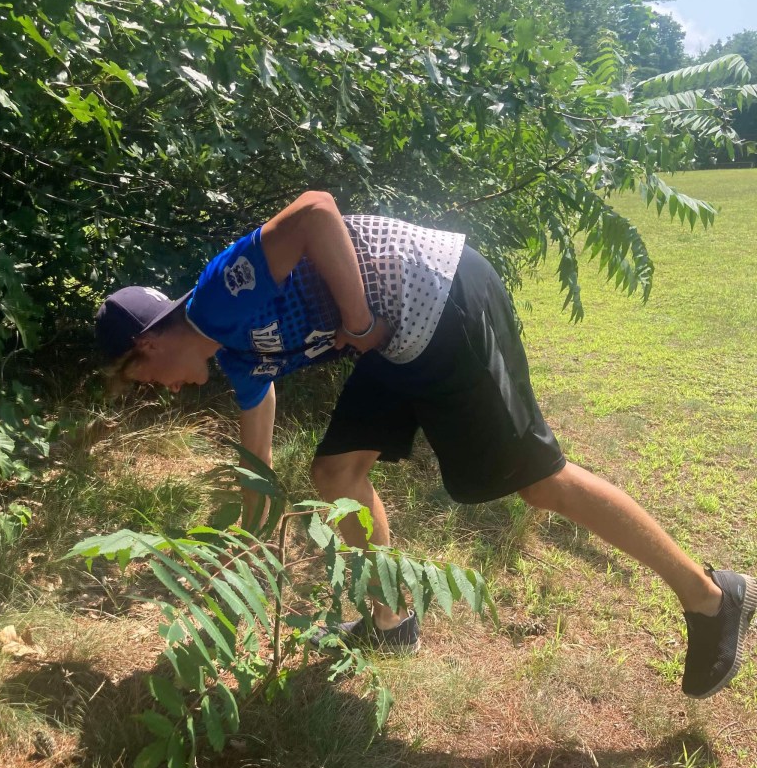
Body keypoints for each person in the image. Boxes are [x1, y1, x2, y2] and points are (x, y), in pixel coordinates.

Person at [95, 190, 755, 699]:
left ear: (145, 345)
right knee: (335, 473)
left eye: (146, 380)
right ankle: (392, 621)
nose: (165, 391)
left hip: (443, 297)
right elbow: (258, 467)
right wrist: (247, 542)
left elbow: (316, 212)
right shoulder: (236, 356)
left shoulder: (218, 296)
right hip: (396, 340)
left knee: (538, 480)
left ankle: (712, 597)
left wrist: (358, 322)